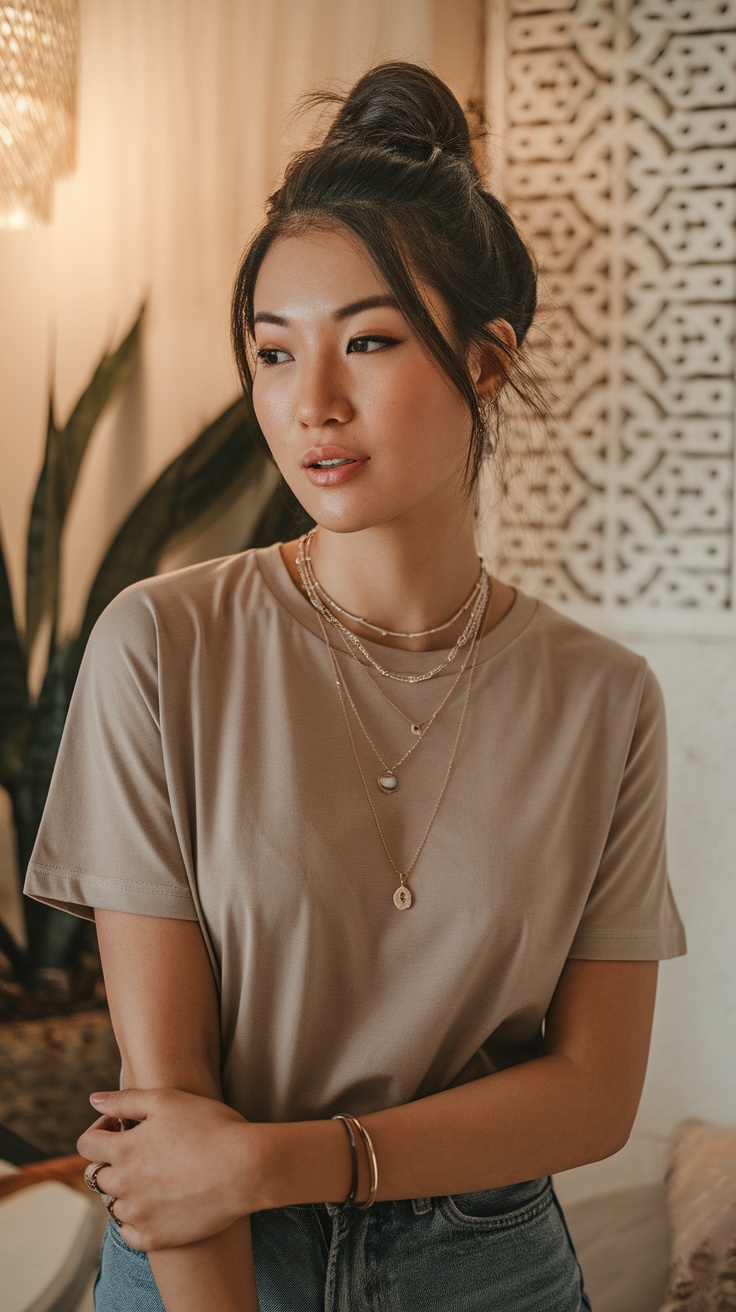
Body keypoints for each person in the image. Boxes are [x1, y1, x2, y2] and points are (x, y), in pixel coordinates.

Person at [24, 61, 686, 1312]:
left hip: (490, 1269)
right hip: (208, 1272)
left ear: (488, 364)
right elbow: (170, 1126)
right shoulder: (160, 645)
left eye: (368, 342)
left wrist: (276, 1161)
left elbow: (594, 1095)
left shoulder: (605, 701)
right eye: (273, 354)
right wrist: (230, 1191)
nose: (310, 404)